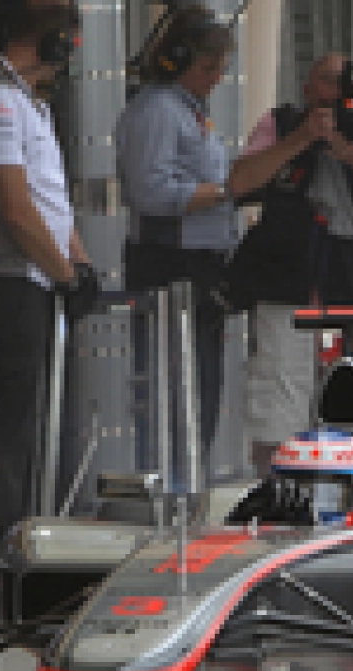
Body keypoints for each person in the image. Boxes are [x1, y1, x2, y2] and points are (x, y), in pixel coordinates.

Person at [0, 2, 94, 615]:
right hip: (6, 286)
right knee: (2, 445)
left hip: (39, 284)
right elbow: (13, 208)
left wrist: (78, 266)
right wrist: (66, 274)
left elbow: (50, 202)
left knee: (32, 436)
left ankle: (21, 573)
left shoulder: (31, 104)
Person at [226, 53, 353, 472]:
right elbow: (240, 181)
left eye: (346, 85)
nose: (337, 93)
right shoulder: (279, 125)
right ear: (308, 88)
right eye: (328, 82)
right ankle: (276, 504)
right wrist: (301, 139)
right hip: (285, 294)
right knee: (278, 417)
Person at [115, 5, 236, 475]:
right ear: (176, 60)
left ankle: (192, 477)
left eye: (220, 70)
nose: (215, 78)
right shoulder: (159, 111)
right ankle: (170, 482)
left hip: (202, 261)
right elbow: (150, 191)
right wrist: (225, 192)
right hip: (170, 261)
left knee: (202, 385)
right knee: (175, 385)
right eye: (207, 68)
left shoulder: (193, 113)